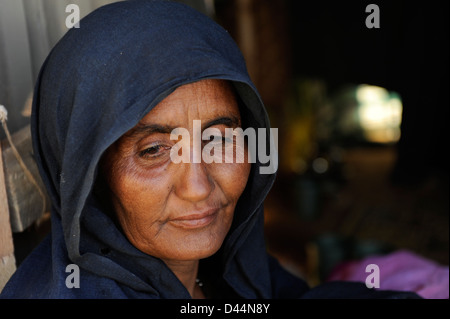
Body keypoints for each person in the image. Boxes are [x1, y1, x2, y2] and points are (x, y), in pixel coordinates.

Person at [0, 0, 420, 299]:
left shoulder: (227, 268)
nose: (199, 187)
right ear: (88, 176)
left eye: (218, 139)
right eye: (153, 150)